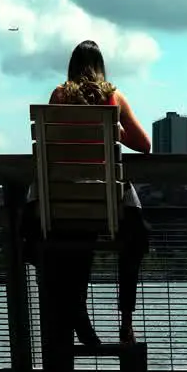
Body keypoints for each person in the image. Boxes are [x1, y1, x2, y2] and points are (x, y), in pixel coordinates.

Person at [23, 40, 152, 345]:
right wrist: (112, 128)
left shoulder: (58, 95)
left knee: (73, 245)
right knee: (136, 237)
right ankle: (126, 322)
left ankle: (75, 314)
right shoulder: (113, 96)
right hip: (102, 201)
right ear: (101, 66)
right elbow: (144, 145)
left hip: (62, 200)